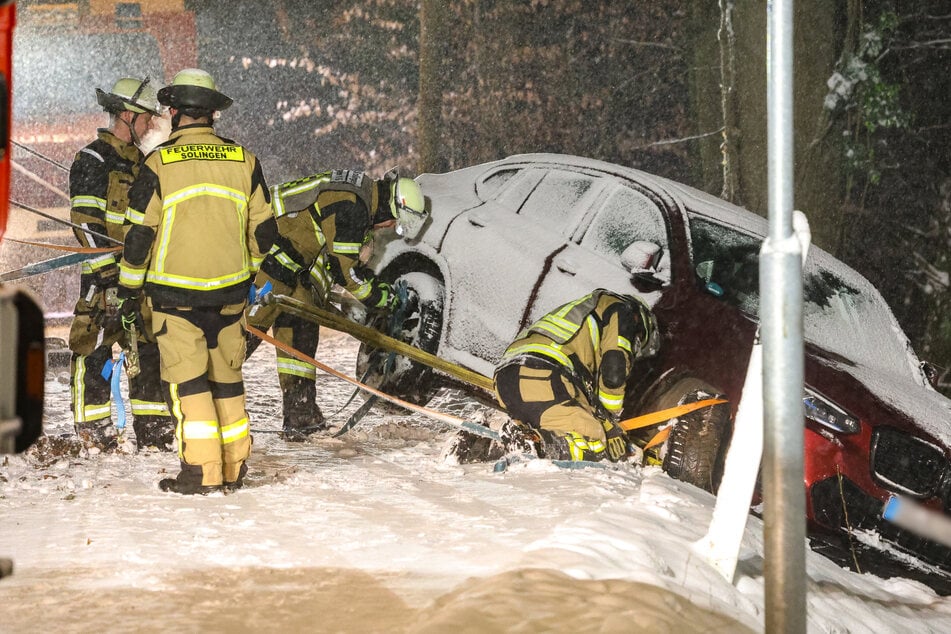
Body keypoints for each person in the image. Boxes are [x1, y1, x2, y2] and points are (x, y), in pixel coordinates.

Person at [117, 68, 276, 494]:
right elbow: (265, 234)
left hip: (175, 299)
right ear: (212, 114)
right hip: (231, 298)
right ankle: (234, 468)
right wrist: (249, 275)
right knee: (227, 383)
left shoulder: (159, 163)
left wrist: (129, 290)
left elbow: (138, 238)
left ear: (173, 112)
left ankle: (202, 472)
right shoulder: (245, 160)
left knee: (188, 384)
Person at [245, 169, 428, 440]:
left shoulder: (360, 198)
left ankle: (301, 414)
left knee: (301, 331)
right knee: (241, 336)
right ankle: (200, 398)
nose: (390, 227)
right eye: (395, 222)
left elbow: (340, 263)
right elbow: (346, 272)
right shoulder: (352, 205)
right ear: (392, 207)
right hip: (266, 256)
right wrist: (384, 299)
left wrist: (370, 296)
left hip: (288, 265)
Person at [67, 77, 174, 452]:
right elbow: (85, 223)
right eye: (146, 117)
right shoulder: (93, 159)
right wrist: (109, 276)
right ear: (127, 115)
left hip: (139, 281)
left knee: (146, 353)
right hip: (103, 284)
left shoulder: (145, 165)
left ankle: (154, 430)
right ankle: (93, 434)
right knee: (93, 352)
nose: (151, 124)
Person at [454, 289, 660, 463]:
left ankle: (496, 443)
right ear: (641, 322)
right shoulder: (621, 310)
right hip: (544, 376)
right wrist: (611, 423)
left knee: (550, 434)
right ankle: (527, 444)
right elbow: (614, 372)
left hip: (508, 379)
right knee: (592, 441)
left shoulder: (585, 314)